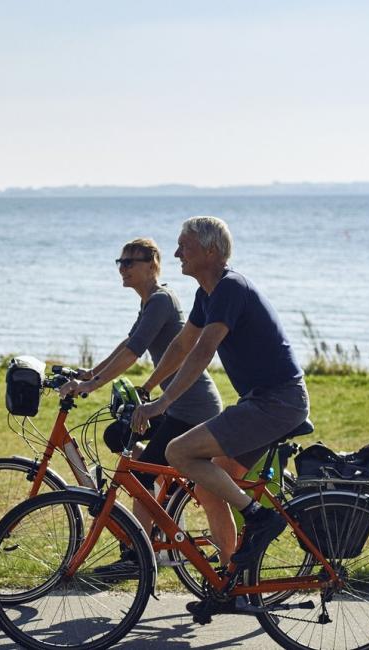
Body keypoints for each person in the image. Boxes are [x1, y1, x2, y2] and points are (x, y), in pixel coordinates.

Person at [132, 216, 310, 592]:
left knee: (178, 452)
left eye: (185, 246)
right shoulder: (207, 293)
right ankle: (230, 584)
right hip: (264, 401)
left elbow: (201, 353)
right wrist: (147, 388)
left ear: (210, 251)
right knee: (211, 485)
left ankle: (258, 518)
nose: (177, 253)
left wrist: (162, 403)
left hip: (276, 402)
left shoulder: (230, 288)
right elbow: (181, 345)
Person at [58, 237, 225, 563]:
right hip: (179, 405)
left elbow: (134, 352)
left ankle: (137, 556)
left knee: (140, 477)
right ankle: (162, 519)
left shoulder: (161, 300)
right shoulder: (151, 301)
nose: (123, 268)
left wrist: (90, 386)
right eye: (120, 262)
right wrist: (91, 372)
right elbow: (128, 342)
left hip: (192, 408)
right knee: (119, 438)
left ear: (152, 265)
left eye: (129, 262)